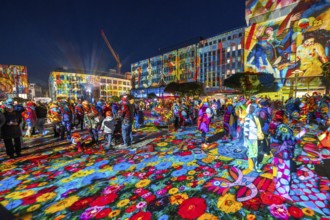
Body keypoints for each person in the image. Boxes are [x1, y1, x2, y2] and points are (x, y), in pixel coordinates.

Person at [269, 110, 306, 201]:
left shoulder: (275, 124)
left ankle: (280, 189)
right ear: (283, 117)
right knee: (284, 173)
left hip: (278, 152)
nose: (287, 118)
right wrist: (301, 133)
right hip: (283, 153)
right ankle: (283, 193)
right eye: (286, 116)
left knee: (279, 172)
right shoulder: (283, 128)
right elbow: (291, 141)